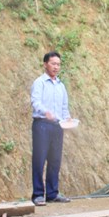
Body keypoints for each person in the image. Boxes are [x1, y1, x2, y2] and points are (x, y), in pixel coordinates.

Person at [30, 51, 72, 206]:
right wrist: (45, 112)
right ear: (45, 64)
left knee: (55, 160)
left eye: (58, 64)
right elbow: (35, 102)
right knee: (39, 160)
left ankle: (52, 193)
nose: (56, 67)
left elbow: (64, 107)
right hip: (42, 125)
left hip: (57, 126)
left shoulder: (61, 86)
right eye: (53, 63)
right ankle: (38, 195)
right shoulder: (39, 82)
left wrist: (67, 118)